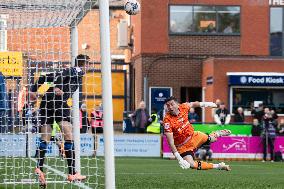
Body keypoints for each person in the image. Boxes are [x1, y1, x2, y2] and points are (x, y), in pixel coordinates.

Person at [29, 54, 89, 188]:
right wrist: (58, 86)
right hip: (58, 102)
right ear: (83, 64)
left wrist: (33, 91)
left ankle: (39, 167)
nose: (89, 67)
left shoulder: (71, 74)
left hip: (46, 102)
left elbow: (44, 77)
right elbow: (64, 73)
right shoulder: (77, 70)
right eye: (88, 64)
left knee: (45, 138)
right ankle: (72, 173)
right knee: (69, 137)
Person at [163, 96, 231, 171]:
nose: (170, 107)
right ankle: (219, 166)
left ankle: (217, 133)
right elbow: (170, 142)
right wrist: (179, 159)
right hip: (183, 146)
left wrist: (207, 104)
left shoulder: (183, 107)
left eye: (172, 104)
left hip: (194, 136)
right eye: (168, 105)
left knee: (213, 139)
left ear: (177, 104)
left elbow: (194, 104)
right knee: (191, 165)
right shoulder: (167, 120)